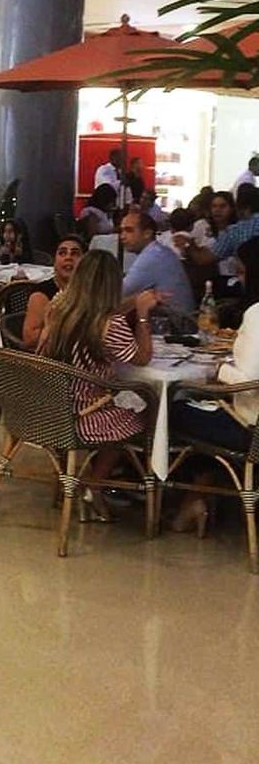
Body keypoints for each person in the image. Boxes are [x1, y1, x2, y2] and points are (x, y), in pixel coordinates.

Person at [39, 250, 161, 520]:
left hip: (48, 411)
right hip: (84, 416)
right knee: (145, 408)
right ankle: (98, 482)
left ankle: (68, 478)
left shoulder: (58, 311)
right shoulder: (111, 325)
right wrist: (142, 316)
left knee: (124, 400)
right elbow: (141, 358)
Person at [169, 237, 259, 535]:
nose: (239, 278)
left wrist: (219, 369)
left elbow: (247, 380)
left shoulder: (257, 315)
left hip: (248, 427)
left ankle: (188, 497)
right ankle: (198, 498)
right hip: (248, 422)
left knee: (175, 409)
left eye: (243, 272)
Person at [119, 209, 195, 318]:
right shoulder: (157, 252)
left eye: (129, 230)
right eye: (121, 231)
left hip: (174, 327)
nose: (122, 236)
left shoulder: (153, 256)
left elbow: (118, 293)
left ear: (147, 233)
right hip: (176, 321)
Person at [21, 236, 85, 348]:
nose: (68, 257)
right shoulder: (41, 294)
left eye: (75, 254)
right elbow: (29, 339)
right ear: (54, 261)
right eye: (62, 253)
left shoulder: (89, 290)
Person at [191, 183, 259, 274]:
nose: (217, 210)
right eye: (214, 206)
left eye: (222, 206)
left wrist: (188, 246)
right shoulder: (201, 225)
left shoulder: (235, 231)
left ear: (235, 208)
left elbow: (204, 258)